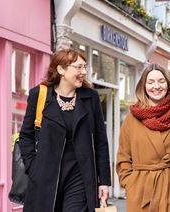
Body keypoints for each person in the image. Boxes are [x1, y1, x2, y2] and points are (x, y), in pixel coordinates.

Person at [18, 48, 111, 212]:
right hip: (45, 177)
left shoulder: (90, 98)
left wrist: (103, 180)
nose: (83, 72)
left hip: (80, 177)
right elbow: (26, 135)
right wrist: (33, 167)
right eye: (78, 67)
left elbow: (100, 142)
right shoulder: (39, 95)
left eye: (84, 67)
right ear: (61, 69)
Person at [116, 64, 170, 212]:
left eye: (161, 81)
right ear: (143, 86)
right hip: (142, 192)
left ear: (168, 85)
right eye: (150, 82)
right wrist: (130, 184)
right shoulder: (131, 119)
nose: (156, 86)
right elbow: (123, 156)